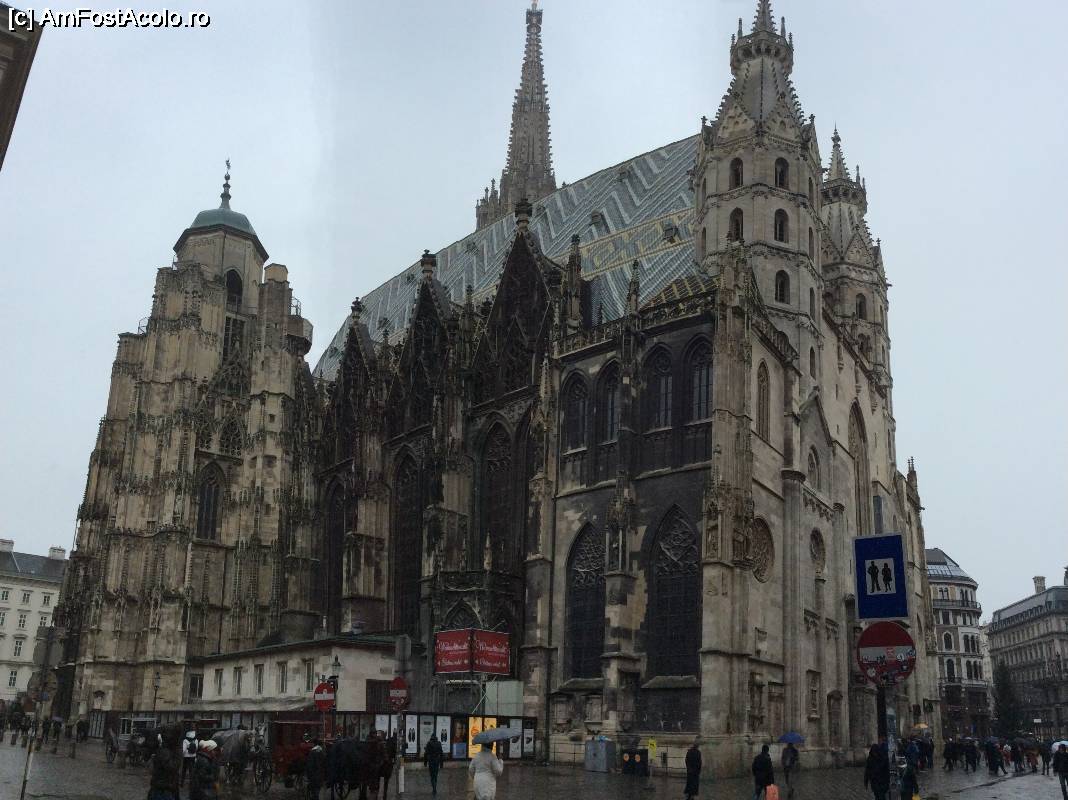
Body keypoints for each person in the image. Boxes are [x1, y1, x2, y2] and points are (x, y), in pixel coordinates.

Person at [148, 727, 181, 800]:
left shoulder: (166, 750)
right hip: (163, 789)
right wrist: (178, 752)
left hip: (165, 788)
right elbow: (172, 767)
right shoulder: (165, 752)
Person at [423, 730, 444, 795]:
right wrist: (441, 764)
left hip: (431, 761)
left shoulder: (429, 743)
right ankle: (434, 788)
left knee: (432, 775)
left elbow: (426, 753)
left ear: (431, 737)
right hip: (437, 761)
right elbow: (441, 754)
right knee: (435, 775)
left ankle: (434, 788)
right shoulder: (439, 743)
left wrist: (425, 763)